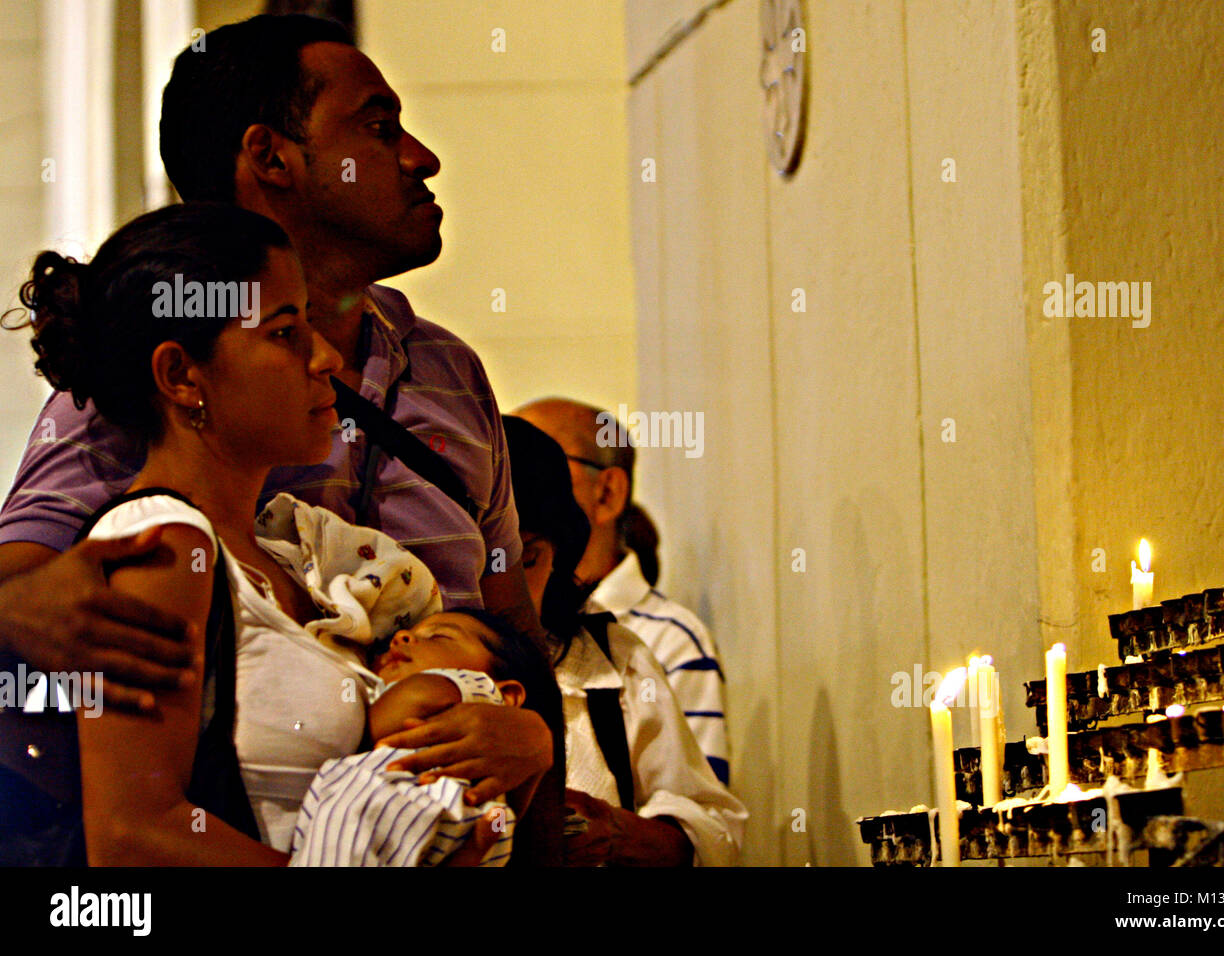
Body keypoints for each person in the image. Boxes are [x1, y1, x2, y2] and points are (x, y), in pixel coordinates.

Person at [0, 14, 559, 860]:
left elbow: (510, 628)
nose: (421, 157)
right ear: (272, 157)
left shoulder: (446, 381)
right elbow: (42, 609)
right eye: (378, 128)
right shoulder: (132, 409)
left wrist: (533, 742)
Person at [502, 416, 746, 866]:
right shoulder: (404, 653)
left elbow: (715, 825)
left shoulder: (609, 657)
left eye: (529, 560)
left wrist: (617, 832)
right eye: (484, 563)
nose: (505, 590)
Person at [290, 609, 552, 867]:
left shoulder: (476, 688)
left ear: (506, 696)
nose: (401, 636)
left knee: (347, 819)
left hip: (417, 796)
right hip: (441, 826)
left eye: (439, 637)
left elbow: (406, 707)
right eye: (387, 642)